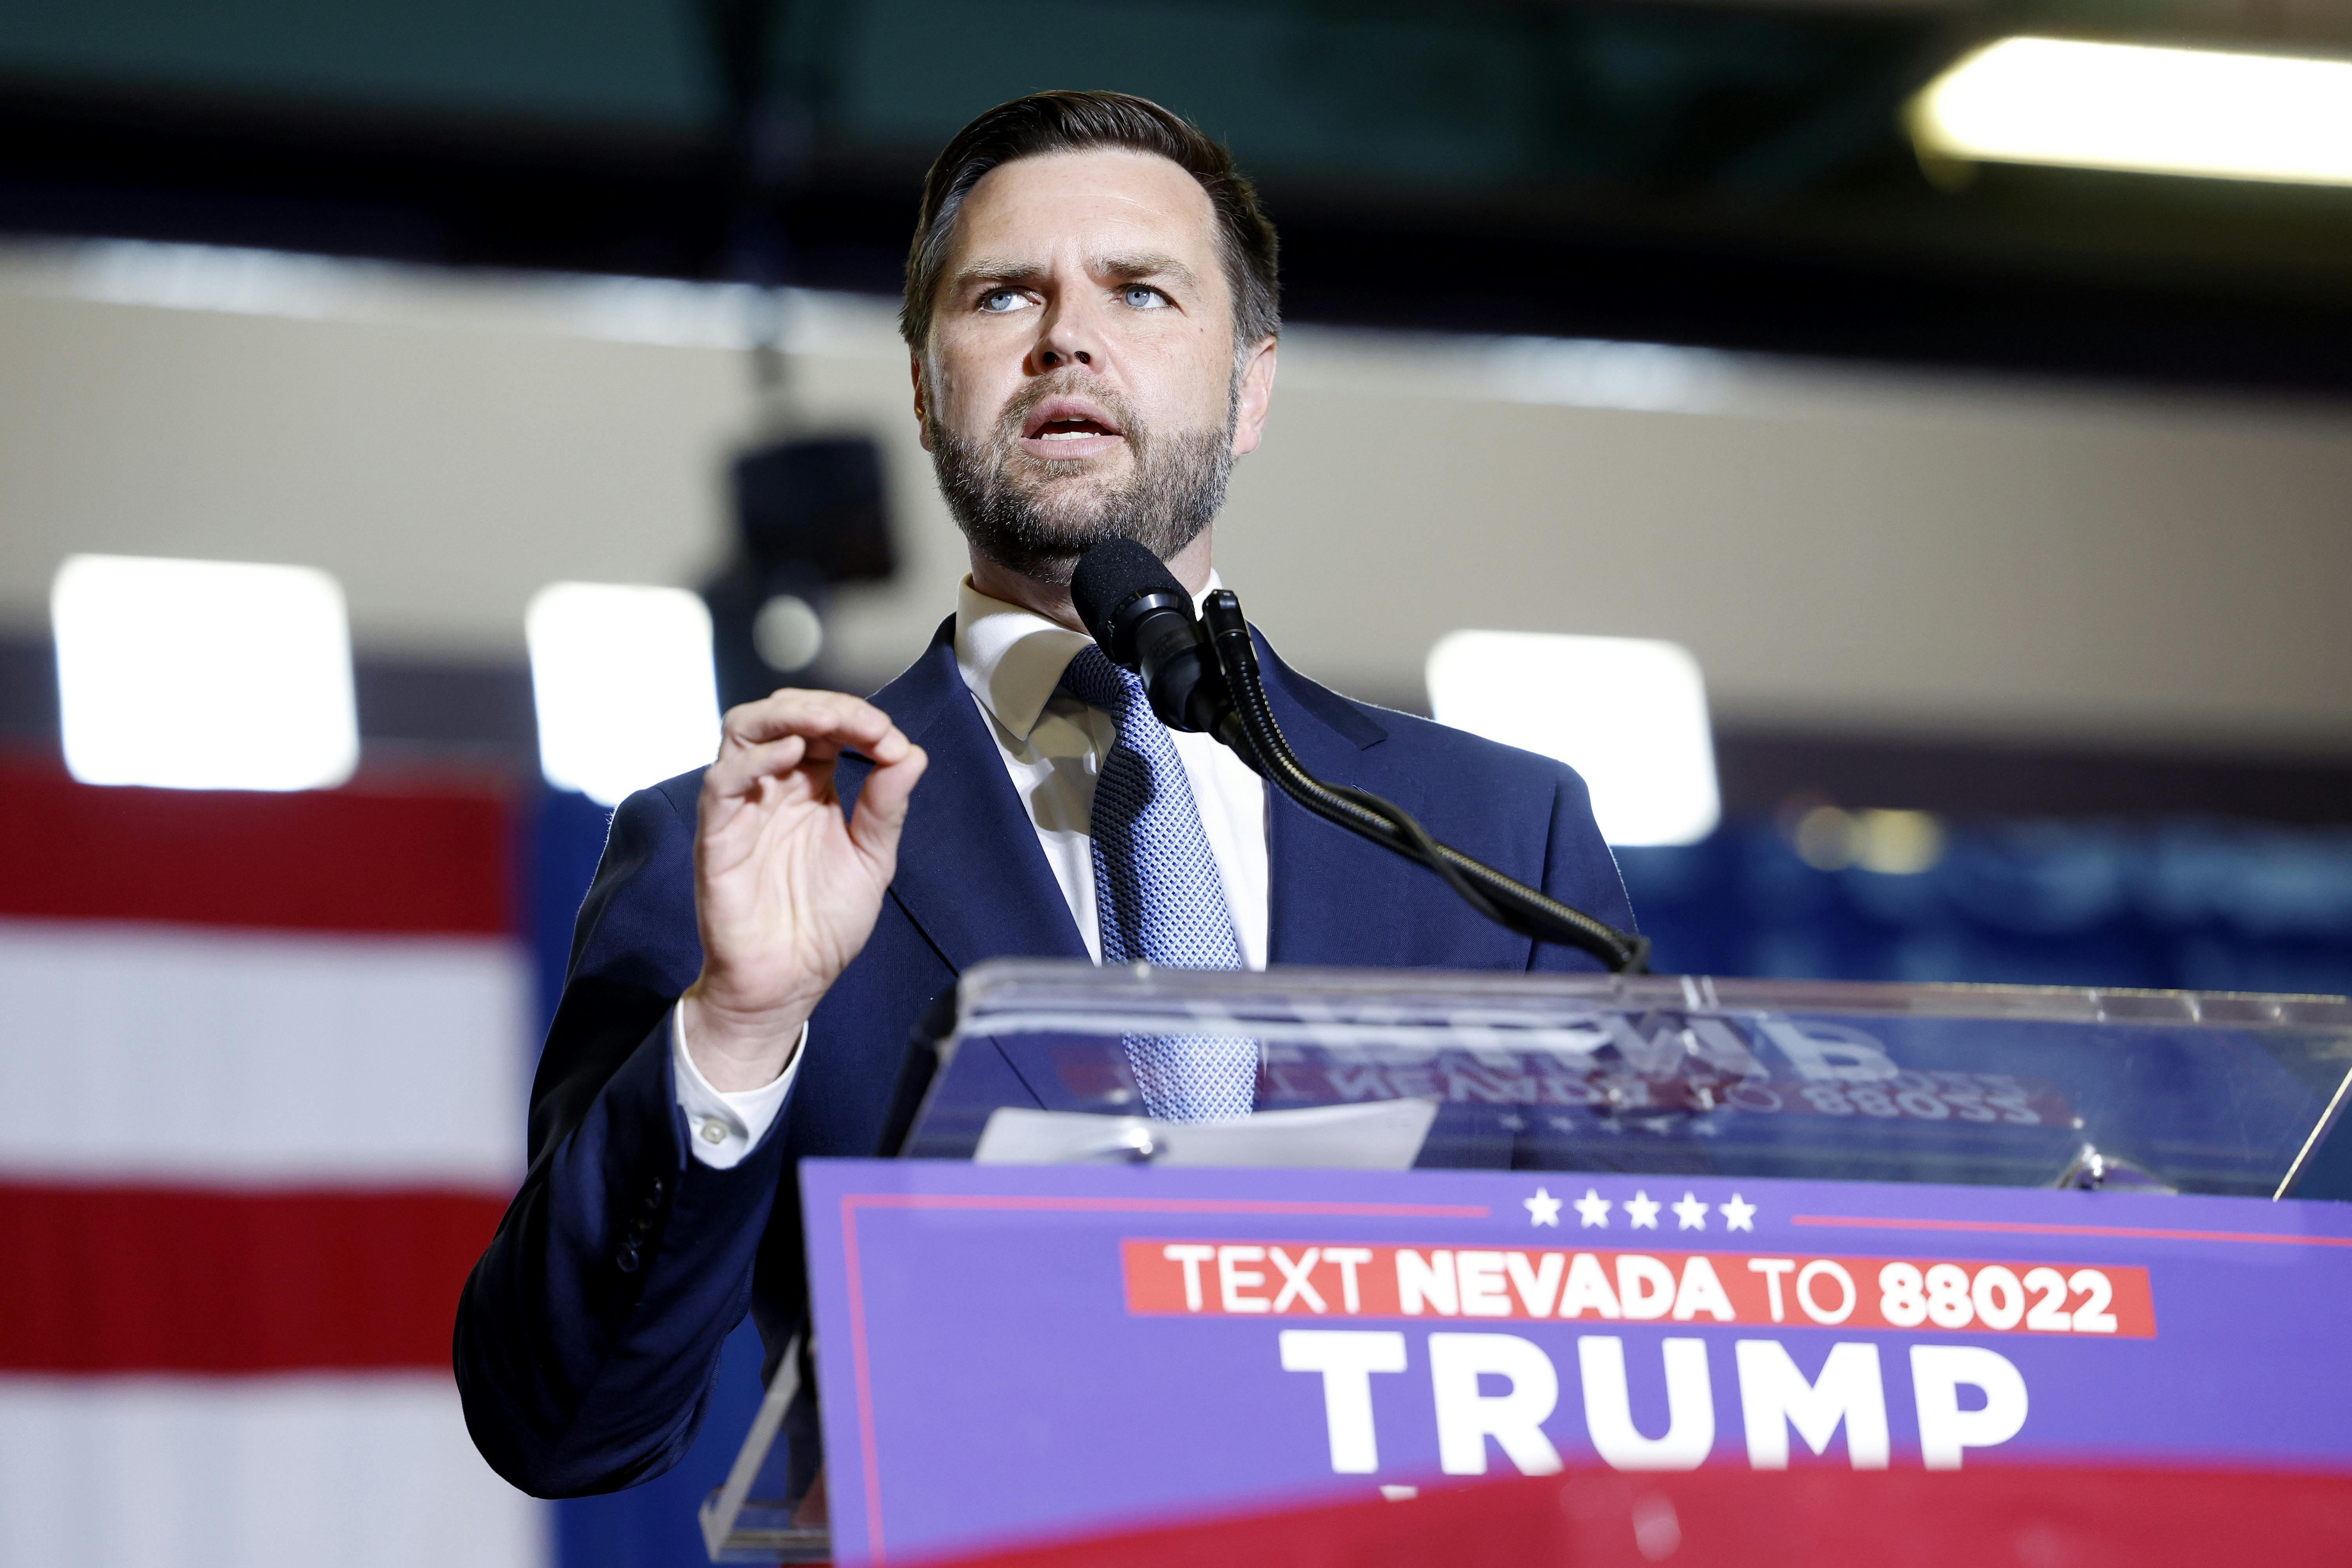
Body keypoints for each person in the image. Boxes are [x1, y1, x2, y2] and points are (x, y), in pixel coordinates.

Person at [454, 89, 1636, 1499]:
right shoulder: (748, 843)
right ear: (923, 384)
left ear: (1252, 385)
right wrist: (737, 1029)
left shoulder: (1499, 845)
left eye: (1141, 292)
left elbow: (1639, 1361)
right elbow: (562, 1423)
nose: (1068, 336)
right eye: (1005, 294)